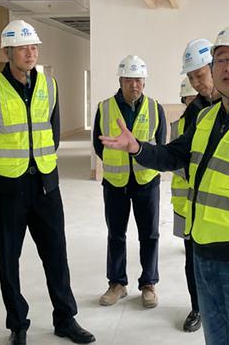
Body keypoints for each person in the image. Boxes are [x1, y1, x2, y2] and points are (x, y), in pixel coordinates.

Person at [100, 22, 229, 345]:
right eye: (221, 60)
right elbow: (173, 155)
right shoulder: (206, 118)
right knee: (218, 337)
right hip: (204, 252)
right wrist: (137, 148)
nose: (228, 67)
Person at [0, 20, 94, 345]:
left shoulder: (50, 86)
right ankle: (17, 324)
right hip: (6, 190)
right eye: (23, 48)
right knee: (8, 259)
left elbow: (53, 134)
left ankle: (65, 319)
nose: (30, 53)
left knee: (56, 254)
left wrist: (41, 166)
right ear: (7, 51)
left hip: (45, 186)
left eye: (33, 47)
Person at [93, 55, 167, 309]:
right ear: (120, 81)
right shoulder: (105, 108)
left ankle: (148, 284)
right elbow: (98, 145)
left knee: (150, 235)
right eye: (128, 80)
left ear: (144, 82)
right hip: (116, 182)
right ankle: (117, 283)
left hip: (147, 181)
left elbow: (160, 146)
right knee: (116, 235)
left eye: (138, 80)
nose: (134, 85)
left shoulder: (155, 108)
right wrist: (116, 163)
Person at [169, 38, 221, 333]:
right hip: (195, 205)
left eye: (200, 75)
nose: (197, 84)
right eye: (191, 78)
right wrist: (140, 149)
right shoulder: (195, 112)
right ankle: (198, 307)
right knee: (194, 261)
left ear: (215, 68)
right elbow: (178, 154)